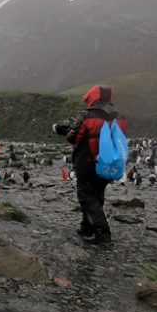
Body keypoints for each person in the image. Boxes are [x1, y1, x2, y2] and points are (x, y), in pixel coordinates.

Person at [57, 85, 128, 244]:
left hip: (87, 163)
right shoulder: (120, 116)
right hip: (108, 163)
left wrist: (65, 130)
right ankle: (87, 227)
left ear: (93, 97)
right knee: (96, 195)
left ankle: (102, 232)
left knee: (86, 197)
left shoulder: (87, 116)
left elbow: (73, 138)